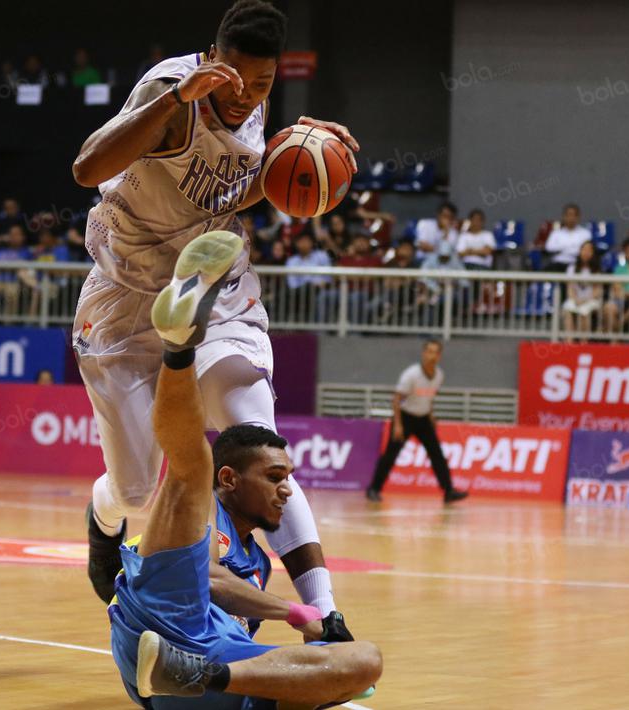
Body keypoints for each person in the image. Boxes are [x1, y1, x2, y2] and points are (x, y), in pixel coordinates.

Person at [70, 0, 361, 623]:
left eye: (262, 84)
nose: (245, 96)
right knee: (138, 488)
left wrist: (295, 155)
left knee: (258, 439)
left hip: (209, 281)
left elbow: (229, 192)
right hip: (127, 299)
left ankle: (325, 615)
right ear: (211, 58)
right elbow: (86, 167)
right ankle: (105, 513)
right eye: (235, 79)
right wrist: (178, 98)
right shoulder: (169, 90)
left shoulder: (254, 106)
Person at [108, 233, 381, 708]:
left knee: (363, 663)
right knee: (191, 463)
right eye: (274, 478)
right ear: (232, 480)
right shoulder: (205, 510)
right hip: (165, 628)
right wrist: (301, 612)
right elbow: (210, 580)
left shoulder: (256, 560)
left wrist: (321, 649)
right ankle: (179, 346)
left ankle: (199, 677)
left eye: (286, 478)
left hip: (208, 673)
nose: (285, 491)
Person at [365, 340, 468, 504]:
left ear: (439, 356)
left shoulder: (439, 375)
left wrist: (431, 417)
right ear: (423, 353)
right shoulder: (411, 374)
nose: (431, 355)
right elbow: (397, 399)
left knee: (437, 455)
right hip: (405, 418)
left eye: (435, 352)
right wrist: (397, 425)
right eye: (429, 351)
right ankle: (373, 489)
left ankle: (449, 491)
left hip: (423, 419)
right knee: (391, 455)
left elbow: (428, 398)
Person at [562, 241, 603, 342]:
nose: (586, 253)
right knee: (568, 308)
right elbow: (570, 288)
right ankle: (569, 341)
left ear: (593, 253)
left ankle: (583, 343)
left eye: (589, 250)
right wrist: (575, 299)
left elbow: (597, 291)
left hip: (591, 300)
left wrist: (584, 300)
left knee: (584, 311)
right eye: (583, 250)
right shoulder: (571, 269)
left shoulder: (597, 270)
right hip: (575, 299)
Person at [544, 203, 591, 272]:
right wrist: (572, 247)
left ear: (578, 217)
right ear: (564, 216)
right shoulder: (556, 233)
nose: (571, 218)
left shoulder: (585, 233)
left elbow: (587, 251)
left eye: (574, 215)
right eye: (568, 215)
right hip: (558, 264)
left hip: (577, 265)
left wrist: (563, 249)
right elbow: (549, 247)